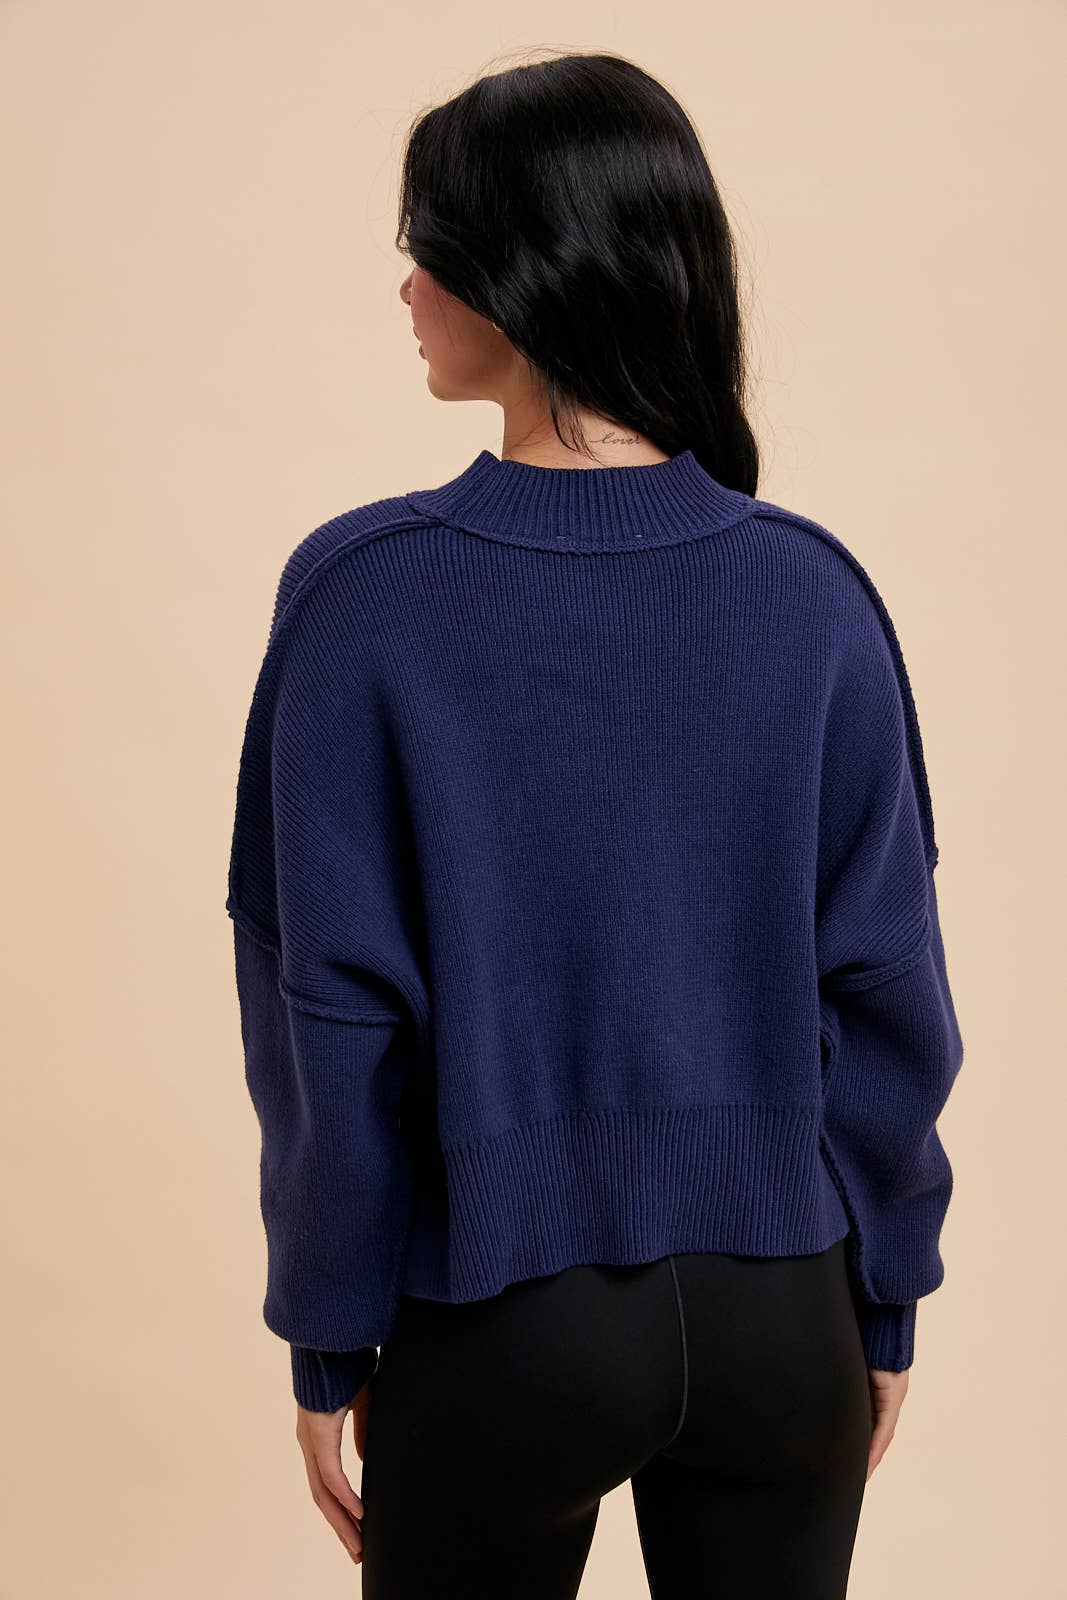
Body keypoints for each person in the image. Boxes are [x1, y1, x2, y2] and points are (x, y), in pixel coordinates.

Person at [224, 48, 965, 1599]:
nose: (407, 285)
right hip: (787, 1318)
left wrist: (328, 1332)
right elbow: (889, 983)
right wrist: (885, 1295)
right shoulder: (815, 593)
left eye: (431, 246)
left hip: (504, 1317)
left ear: (525, 275)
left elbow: (328, 1009)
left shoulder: (363, 596)